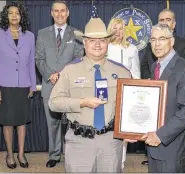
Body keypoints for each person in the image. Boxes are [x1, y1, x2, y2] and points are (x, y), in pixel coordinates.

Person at [48, 17, 132, 172]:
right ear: (84, 43)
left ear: (107, 42)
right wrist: (81, 102)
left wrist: (131, 129)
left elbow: (130, 106)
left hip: (111, 142)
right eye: (92, 40)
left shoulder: (122, 72)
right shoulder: (70, 70)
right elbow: (54, 102)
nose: (98, 45)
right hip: (79, 141)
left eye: (102, 40)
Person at [136, 23, 185, 173]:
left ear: (172, 41)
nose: (157, 44)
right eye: (153, 39)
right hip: (152, 143)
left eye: (162, 39)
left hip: (171, 146)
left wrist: (160, 135)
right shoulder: (155, 67)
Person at [35, 0, 84, 168]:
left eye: (62, 11)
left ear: (68, 13)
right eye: (56, 11)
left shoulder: (77, 34)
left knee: (72, 123)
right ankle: (54, 155)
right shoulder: (42, 34)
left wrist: (63, 76)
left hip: (70, 87)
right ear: (51, 13)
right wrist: (50, 74)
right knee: (53, 124)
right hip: (49, 86)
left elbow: (79, 58)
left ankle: (72, 156)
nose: (59, 14)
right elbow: (39, 59)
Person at [0, 1, 36, 169]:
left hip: (23, 85)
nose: (14, 15)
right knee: (7, 122)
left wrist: (33, 84)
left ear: (21, 16)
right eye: (11, 12)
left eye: (17, 12)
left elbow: (31, 62)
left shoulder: (29, 36)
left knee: (21, 121)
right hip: (4, 86)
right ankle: (9, 154)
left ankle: (21, 153)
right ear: (6, 16)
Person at [106, 17, 141, 169]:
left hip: (126, 95)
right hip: (106, 95)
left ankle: (120, 162)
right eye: (115, 28)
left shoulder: (132, 49)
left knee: (123, 129)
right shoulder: (104, 47)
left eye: (121, 29)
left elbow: (136, 73)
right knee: (108, 128)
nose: (118, 32)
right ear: (110, 29)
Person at [141, 8, 185, 80]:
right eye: (161, 20)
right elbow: (144, 65)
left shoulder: (183, 43)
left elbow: (182, 68)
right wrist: (149, 79)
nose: (164, 23)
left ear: (174, 24)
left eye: (168, 19)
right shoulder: (151, 44)